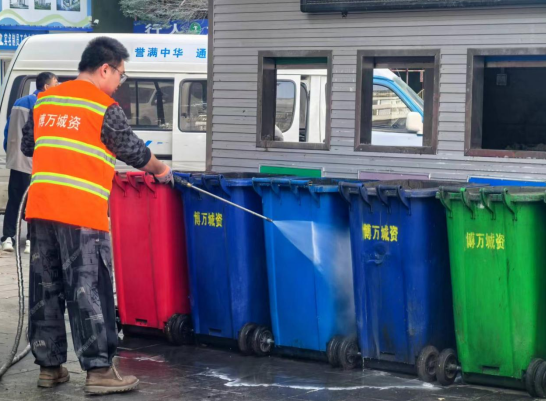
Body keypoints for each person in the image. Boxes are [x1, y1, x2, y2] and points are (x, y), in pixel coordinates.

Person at [21, 37, 173, 395]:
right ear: (105, 68)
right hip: (81, 213)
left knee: (47, 288)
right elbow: (134, 151)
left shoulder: (46, 100)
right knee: (90, 289)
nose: (120, 81)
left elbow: (30, 145)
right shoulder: (102, 106)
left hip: (41, 210)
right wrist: (161, 169)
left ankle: (50, 367)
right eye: (121, 73)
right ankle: (100, 370)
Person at [2, 72, 58, 254]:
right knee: (36, 201)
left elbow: (8, 131)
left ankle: (8, 238)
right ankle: (30, 240)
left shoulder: (20, 102)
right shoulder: (48, 105)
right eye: (56, 83)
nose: (58, 86)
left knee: (15, 200)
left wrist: (11, 152)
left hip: (18, 161)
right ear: (47, 87)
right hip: (39, 163)